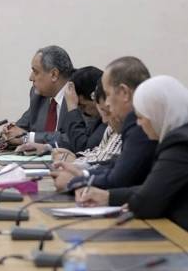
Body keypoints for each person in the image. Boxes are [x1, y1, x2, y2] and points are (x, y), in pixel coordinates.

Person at [76, 76, 188, 231]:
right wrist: (109, 196)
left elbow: (147, 201)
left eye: (141, 117)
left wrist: (116, 199)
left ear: (157, 114)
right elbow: (150, 188)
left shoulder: (179, 145)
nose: (139, 123)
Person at [53, 57, 157, 191]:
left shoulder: (140, 125)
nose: (106, 103)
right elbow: (115, 164)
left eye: (107, 94)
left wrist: (74, 181)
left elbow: (119, 179)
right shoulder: (133, 121)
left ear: (124, 93)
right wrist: (82, 172)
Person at [0, 45, 74, 148]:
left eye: (35, 72)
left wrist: (27, 138)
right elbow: (19, 131)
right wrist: (8, 133)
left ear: (54, 74)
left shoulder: (80, 95)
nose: (30, 78)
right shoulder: (39, 96)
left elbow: (73, 139)